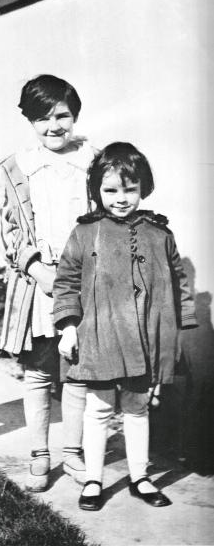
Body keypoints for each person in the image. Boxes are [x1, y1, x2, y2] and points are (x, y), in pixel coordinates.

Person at [53, 142, 197, 510]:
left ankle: (140, 477)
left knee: (137, 407)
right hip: (100, 337)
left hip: (145, 339)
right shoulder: (85, 232)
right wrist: (68, 327)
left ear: (143, 188)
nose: (120, 198)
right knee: (99, 409)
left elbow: (178, 283)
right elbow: (66, 281)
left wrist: (179, 331)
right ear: (97, 190)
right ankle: (93, 479)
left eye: (130, 189)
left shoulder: (159, 233)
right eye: (111, 190)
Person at [0, 74, 94, 491]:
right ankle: (39, 452)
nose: (54, 126)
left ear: (75, 116)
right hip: (39, 279)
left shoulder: (91, 162)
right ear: (29, 121)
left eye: (62, 116)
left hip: (84, 280)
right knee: (38, 367)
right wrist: (37, 269)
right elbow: (8, 227)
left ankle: (72, 452)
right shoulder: (18, 166)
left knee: (77, 370)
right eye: (43, 118)